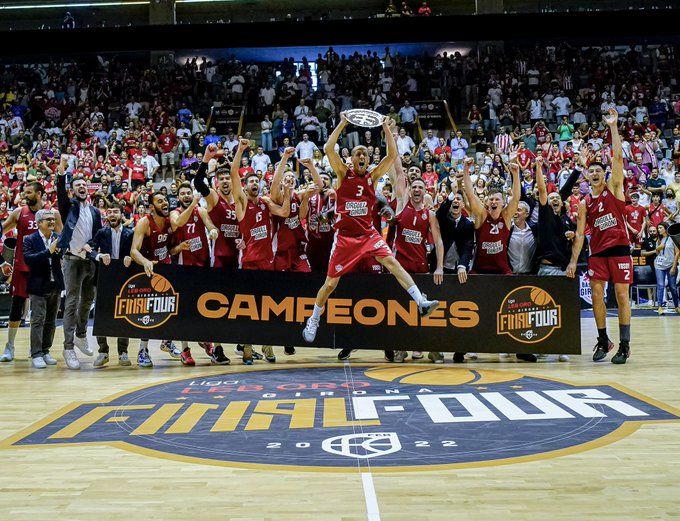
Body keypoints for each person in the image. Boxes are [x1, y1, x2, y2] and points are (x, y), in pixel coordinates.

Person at [302, 113, 439, 345]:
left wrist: (386, 128)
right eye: (358, 153)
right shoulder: (343, 174)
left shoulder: (373, 177)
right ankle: (314, 318)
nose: (363, 155)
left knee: (392, 263)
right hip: (345, 238)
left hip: (367, 234)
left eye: (365, 153)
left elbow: (392, 155)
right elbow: (328, 147)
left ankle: (421, 302)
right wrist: (344, 122)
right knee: (330, 284)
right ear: (351, 160)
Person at [567, 108, 632, 364]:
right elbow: (581, 234)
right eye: (591, 170)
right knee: (596, 294)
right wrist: (573, 261)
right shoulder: (584, 203)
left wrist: (613, 127)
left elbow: (617, 158)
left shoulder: (615, 190)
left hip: (620, 250)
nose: (594, 173)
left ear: (604, 175)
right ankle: (603, 339)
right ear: (586, 175)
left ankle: (625, 345)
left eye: (598, 170)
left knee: (622, 296)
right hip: (597, 254)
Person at [462, 156, 536, 362]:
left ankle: (517, 346)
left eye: (497, 200)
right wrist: (467, 171)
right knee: (473, 308)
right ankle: (470, 346)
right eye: (491, 199)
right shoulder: (481, 215)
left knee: (515, 307)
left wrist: (515, 173)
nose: (494, 202)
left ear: (503, 203)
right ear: (486, 202)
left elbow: (517, 197)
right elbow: (469, 192)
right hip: (480, 269)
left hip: (502, 269)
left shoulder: (506, 216)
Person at [231, 138, 291, 364]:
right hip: (248, 262)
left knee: (267, 307)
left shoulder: (265, 203)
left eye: (257, 181)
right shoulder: (242, 203)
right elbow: (235, 173)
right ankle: (247, 348)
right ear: (245, 187)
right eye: (251, 182)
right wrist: (241, 149)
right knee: (248, 308)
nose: (255, 184)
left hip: (268, 261)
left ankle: (266, 346)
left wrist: (287, 191)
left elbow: (284, 212)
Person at [389, 156, 444, 363]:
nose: (417, 189)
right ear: (410, 191)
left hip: (421, 265)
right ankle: (400, 349)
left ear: (426, 191)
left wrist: (439, 267)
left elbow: (438, 242)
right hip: (401, 265)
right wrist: (391, 138)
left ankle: (427, 347)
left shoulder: (429, 214)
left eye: (421, 186)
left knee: (423, 311)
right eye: (414, 187)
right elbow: (399, 174)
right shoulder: (402, 204)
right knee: (400, 309)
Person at [0, 181, 62, 363]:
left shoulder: (53, 214)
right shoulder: (19, 213)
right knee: (17, 307)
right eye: (24, 192)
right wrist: (3, 260)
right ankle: (9, 347)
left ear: (40, 193)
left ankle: (40, 350)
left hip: (45, 269)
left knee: (43, 313)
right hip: (23, 267)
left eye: (28, 192)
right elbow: (2, 230)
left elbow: (62, 238)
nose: (24, 195)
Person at [57, 154, 102, 370]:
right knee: (72, 302)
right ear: (73, 190)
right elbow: (60, 193)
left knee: (87, 302)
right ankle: (68, 348)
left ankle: (81, 335)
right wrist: (63, 170)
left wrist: (90, 245)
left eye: (84, 184)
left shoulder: (94, 211)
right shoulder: (69, 207)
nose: (82, 187)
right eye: (78, 185)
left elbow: (97, 234)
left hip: (88, 261)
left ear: (88, 188)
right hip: (72, 260)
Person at [169, 182, 220, 366]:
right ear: (178, 197)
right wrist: (180, 247)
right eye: (182, 194)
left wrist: (213, 231)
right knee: (185, 310)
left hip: (203, 264)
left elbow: (211, 226)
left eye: (188, 193)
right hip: (185, 267)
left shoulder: (201, 211)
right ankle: (185, 350)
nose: (185, 196)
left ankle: (207, 340)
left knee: (206, 307)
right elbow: (173, 247)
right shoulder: (174, 213)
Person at [130, 192, 181, 367]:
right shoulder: (144, 222)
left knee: (172, 308)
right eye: (160, 201)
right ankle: (142, 350)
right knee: (148, 313)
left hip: (165, 268)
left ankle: (167, 341)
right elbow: (133, 250)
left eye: (165, 200)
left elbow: (171, 250)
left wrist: (179, 247)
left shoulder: (169, 222)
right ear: (152, 207)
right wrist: (145, 262)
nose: (165, 203)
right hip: (148, 271)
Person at [87, 201, 134, 367]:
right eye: (109, 212)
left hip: (124, 279)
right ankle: (103, 351)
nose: (112, 214)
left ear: (122, 215)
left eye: (115, 211)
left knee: (124, 315)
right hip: (103, 279)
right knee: (101, 315)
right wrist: (99, 256)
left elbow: (138, 251)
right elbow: (89, 248)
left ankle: (123, 352)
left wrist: (132, 258)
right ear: (106, 215)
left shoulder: (130, 233)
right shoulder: (101, 232)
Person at [23, 209, 63, 369]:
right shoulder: (30, 239)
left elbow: (61, 257)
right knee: (38, 320)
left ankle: (46, 350)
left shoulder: (57, 238)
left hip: (55, 284)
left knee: (51, 321)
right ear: (39, 222)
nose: (52, 222)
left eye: (53, 219)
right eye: (48, 220)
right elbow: (29, 259)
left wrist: (60, 252)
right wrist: (48, 252)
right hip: (38, 285)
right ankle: (36, 354)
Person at [653, 222, 680, 314]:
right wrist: (658, 249)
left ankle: (677, 306)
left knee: (672, 287)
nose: (659, 230)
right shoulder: (659, 240)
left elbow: (677, 253)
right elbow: (657, 253)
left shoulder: (672, 238)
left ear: (665, 228)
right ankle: (660, 306)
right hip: (659, 265)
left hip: (670, 265)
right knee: (660, 285)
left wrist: (673, 266)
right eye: (658, 228)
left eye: (660, 228)